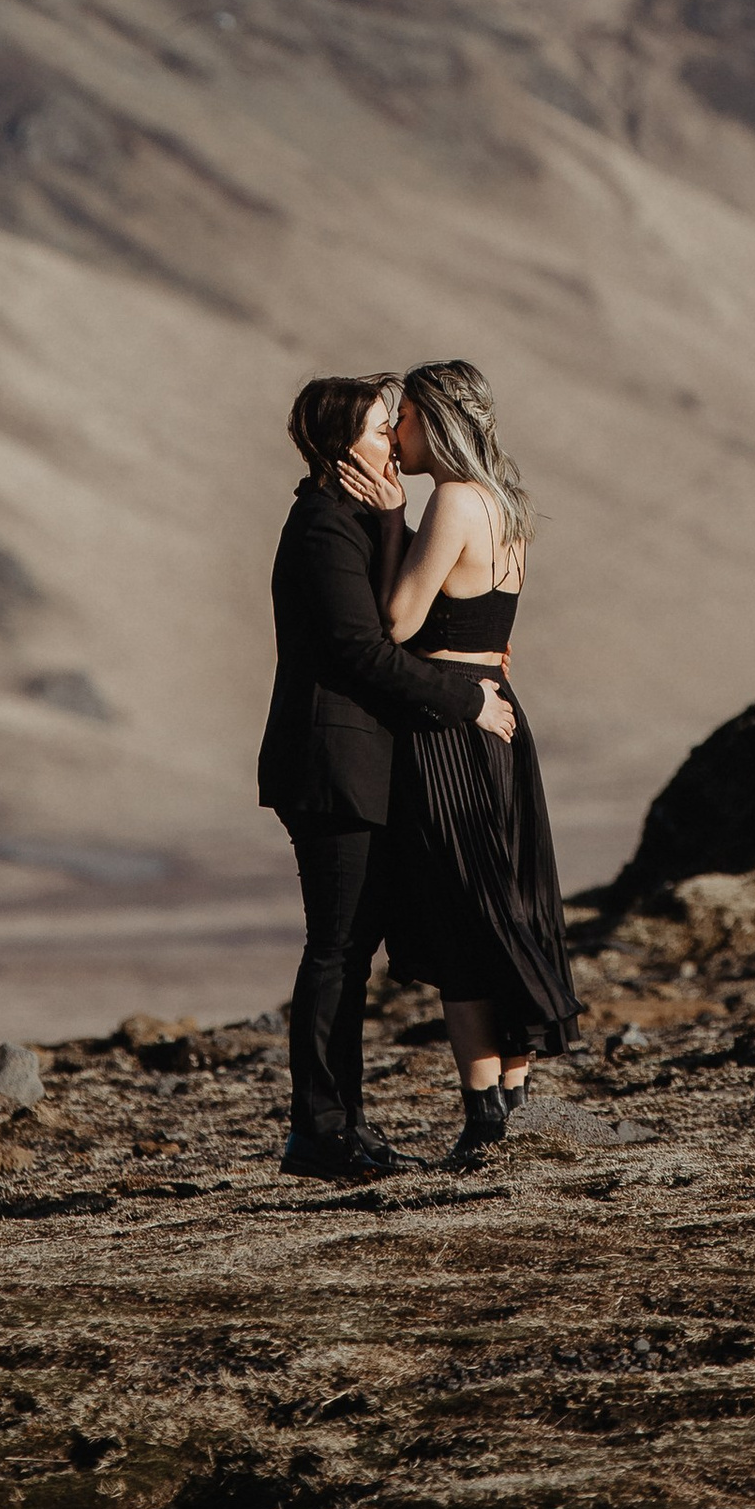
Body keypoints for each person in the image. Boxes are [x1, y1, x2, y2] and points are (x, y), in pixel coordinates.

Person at [258, 373, 516, 1183]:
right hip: (330, 765)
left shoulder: (359, 515)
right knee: (336, 951)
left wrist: (394, 514)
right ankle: (322, 1133)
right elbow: (364, 650)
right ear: (343, 447)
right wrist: (465, 699)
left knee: (351, 949)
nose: (394, 443)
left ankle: (339, 1129)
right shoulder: (324, 527)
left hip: (362, 762)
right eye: (380, 429)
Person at [383, 357, 580, 1169]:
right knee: (510, 895)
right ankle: (516, 1101)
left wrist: (388, 520)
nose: (394, 435)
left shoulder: (454, 502)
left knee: (465, 912)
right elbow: (498, 635)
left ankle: (484, 1115)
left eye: (403, 419)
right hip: (501, 711)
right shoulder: (508, 508)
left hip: (451, 726)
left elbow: (398, 620)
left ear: (437, 421)